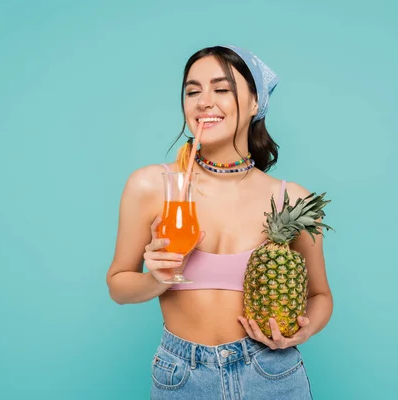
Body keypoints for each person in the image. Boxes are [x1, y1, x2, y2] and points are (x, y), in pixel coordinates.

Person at [106, 45, 333, 399]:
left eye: (221, 89)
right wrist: (157, 280)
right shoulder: (154, 185)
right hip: (182, 375)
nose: (203, 101)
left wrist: (303, 332)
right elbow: (118, 284)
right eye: (192, 91)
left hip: (271, 372)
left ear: (255, 102)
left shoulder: (292, 199)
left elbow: (320, 296)